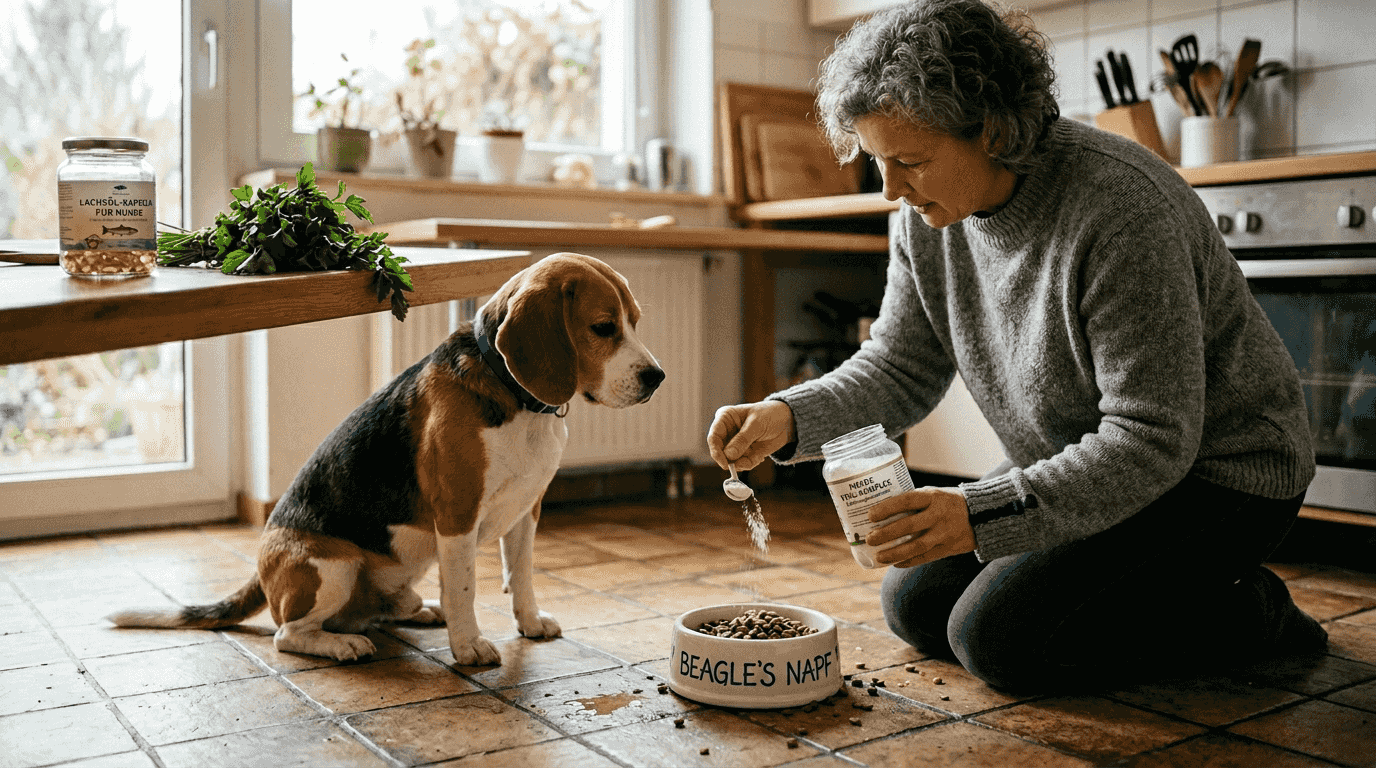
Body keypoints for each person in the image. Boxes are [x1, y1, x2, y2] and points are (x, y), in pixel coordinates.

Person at [707, 0, 1325, 693]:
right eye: (880, 162)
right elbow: (902, 363)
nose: (890, 190)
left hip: (1216, 478)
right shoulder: (927, 215)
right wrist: (789, 417)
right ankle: (1161, 590)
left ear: (996, 132)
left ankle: (1250, 611)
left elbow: (1151, 439)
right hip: (1089, 456)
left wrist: (978, 512)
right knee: (916, 604)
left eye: (909, 160)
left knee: (998, 641)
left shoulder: (1122, 209)